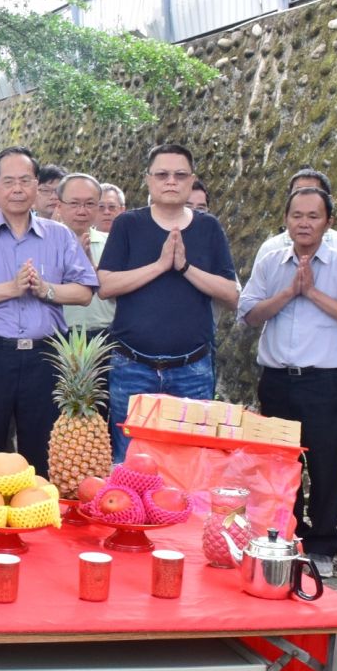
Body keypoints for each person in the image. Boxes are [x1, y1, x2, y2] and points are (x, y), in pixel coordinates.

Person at [238, 187, 337, 578]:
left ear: (328, 222)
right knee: (280, 463)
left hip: (323, 381)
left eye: (313, 216)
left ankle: (324, 544)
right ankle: (287, 535)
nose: (304, 223)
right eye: (297, 215)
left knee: (326, 463)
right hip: (277, 379)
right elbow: (248, 315)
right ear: (286, 219)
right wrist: (288, 292)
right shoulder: (271, 258)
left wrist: (311, 292)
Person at [0, 147, 97, 475]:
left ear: (38, 186)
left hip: (45, 359)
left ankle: (39, 520)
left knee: (44, 454)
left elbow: (86, 291)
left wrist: (46, 290)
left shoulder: (59, 236)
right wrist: (11, 289)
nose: (17, 189)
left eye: (25, 181)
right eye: (9, 181)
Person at [97, 143, 239, 461]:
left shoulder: (208, 227)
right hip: (133, 366)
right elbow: (105, 285)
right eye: (162, 174)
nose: (170, 181)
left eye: (179, 175)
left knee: (188, 464)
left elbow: (231, 295)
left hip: (192, 368)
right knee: (128, 462)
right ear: (149, 180)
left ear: (191, 181)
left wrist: (185, 267)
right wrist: (160, 266)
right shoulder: (128, 225)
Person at [256, 168, 337, 296]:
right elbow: (252, 306)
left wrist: (311, 293)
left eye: (312, 192)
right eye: (298, 192)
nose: (306, 199)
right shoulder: (270, 249)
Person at [56, 173, 116, 334]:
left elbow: (118, 292)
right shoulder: (43, 245)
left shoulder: (112, 243)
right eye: (74, 203)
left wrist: (89, 263)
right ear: (59, 206)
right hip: (59, 335)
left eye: (90, 204)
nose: (82, 211)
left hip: (106, 334)